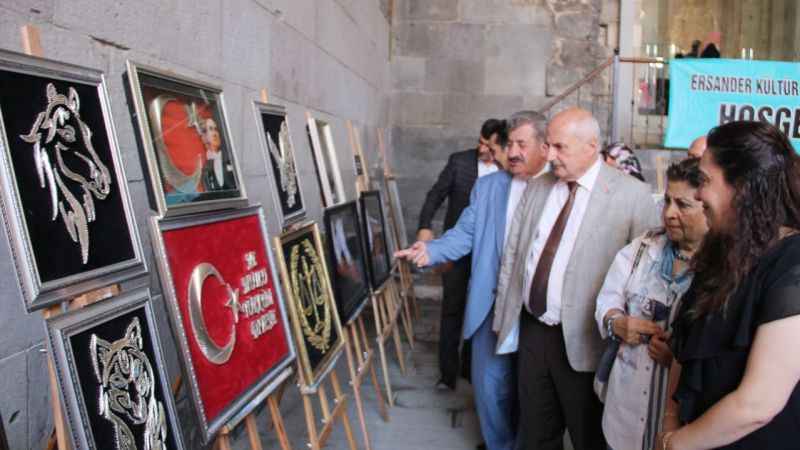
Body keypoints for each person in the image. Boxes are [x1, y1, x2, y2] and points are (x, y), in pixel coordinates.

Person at [492, 107, 659, 450]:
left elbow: (644, 277)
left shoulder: (632, 196)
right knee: (536, 434)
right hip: (534, 331)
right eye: (549, 146)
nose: (549, 155)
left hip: (588, 340)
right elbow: (514, 255)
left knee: (589, 437)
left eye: (559, 147)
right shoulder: (538, 188)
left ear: (591, 146)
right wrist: (504, 319)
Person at [396, 111, 548, 450]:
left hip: (533, 313)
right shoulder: (489, 185)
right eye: (510, 144)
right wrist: (431, 250)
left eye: (522, 144)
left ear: (545, 146)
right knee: (489, 388)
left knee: (531, 394)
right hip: (489, 305)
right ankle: (499, 445)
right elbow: (465, 232)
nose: (513, 153)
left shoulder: (558, 188)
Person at [657, 121, 800, 450]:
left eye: (705, 181)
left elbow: (757, 405)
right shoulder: (723, 249)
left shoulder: (792, 265)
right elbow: (685, 347)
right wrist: (668, 424)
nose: (697, 194)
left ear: (743, 186)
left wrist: (674, 444)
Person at [595, 158, 708, 450]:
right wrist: (616, 323)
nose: (669, 213)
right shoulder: (643, 249)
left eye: (683, 205)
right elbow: (607, 300)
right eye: (667, 201)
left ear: (708, 206)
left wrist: (680, 359)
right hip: (624, 416)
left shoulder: (724, 268)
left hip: (679, 426)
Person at [416, 118, 507, 390]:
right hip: (456, 248)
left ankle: (471, 369)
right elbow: (435, 195)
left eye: (487, 144)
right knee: (452, 308)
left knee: (480, 312)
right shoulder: (459, 162)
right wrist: (424, 228)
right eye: (479, 141)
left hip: (487, 254)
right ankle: (447, 374)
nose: (481, 148)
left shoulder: (511, 172)